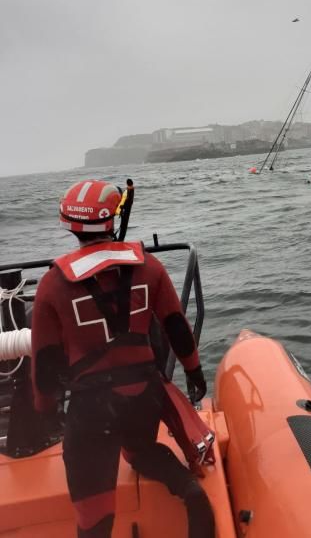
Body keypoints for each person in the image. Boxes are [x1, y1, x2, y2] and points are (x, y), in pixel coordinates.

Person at [31, 179, 215, 538]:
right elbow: (177, 327)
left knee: (94, 515)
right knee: (140, 450)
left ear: (68, 223)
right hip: (144, 396)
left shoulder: (52, 285)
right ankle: (191, 493)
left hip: (92, 409)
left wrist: (45, 412)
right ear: (112, 220)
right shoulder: (149, 267)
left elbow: (45, 364)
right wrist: (195, 373)